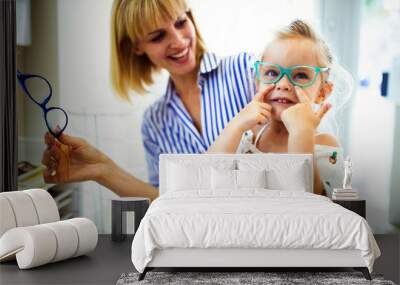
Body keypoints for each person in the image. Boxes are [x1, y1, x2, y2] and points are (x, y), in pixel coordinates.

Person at [41, 0, 255, 201]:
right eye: (158, 37)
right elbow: (165, 202)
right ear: (136, 46)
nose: (178, 41)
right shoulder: (155, 122)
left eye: (181, 22)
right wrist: (102, 169)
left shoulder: (246, 72)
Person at [208, 19, 351, 196]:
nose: (283, 84)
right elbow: (207, 177)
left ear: (322, 92)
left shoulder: (323, 143)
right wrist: (236, 124)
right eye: (272, 73)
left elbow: (312, 204)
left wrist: (301, 133)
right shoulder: (248, 136)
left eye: (300, 75)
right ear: (257, 83)